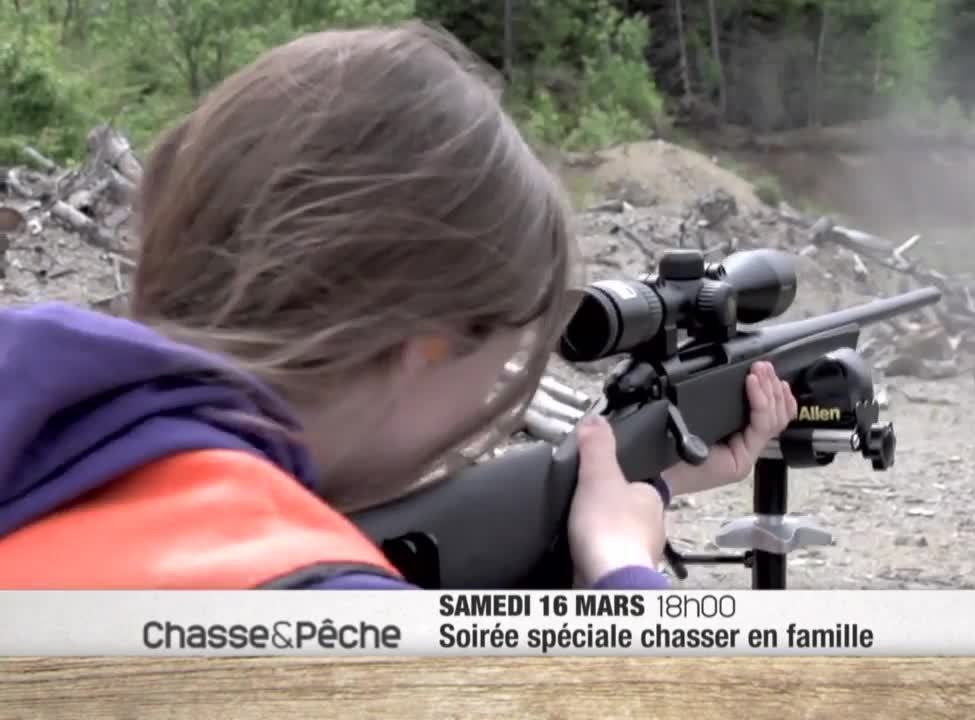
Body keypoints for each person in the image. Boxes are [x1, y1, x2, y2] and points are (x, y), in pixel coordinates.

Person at [0, 22, 797, 590]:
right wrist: (626, 573)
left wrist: (652, 482)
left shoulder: (48, 435)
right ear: (427, 345)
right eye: (500, 370)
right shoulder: (326, 617)